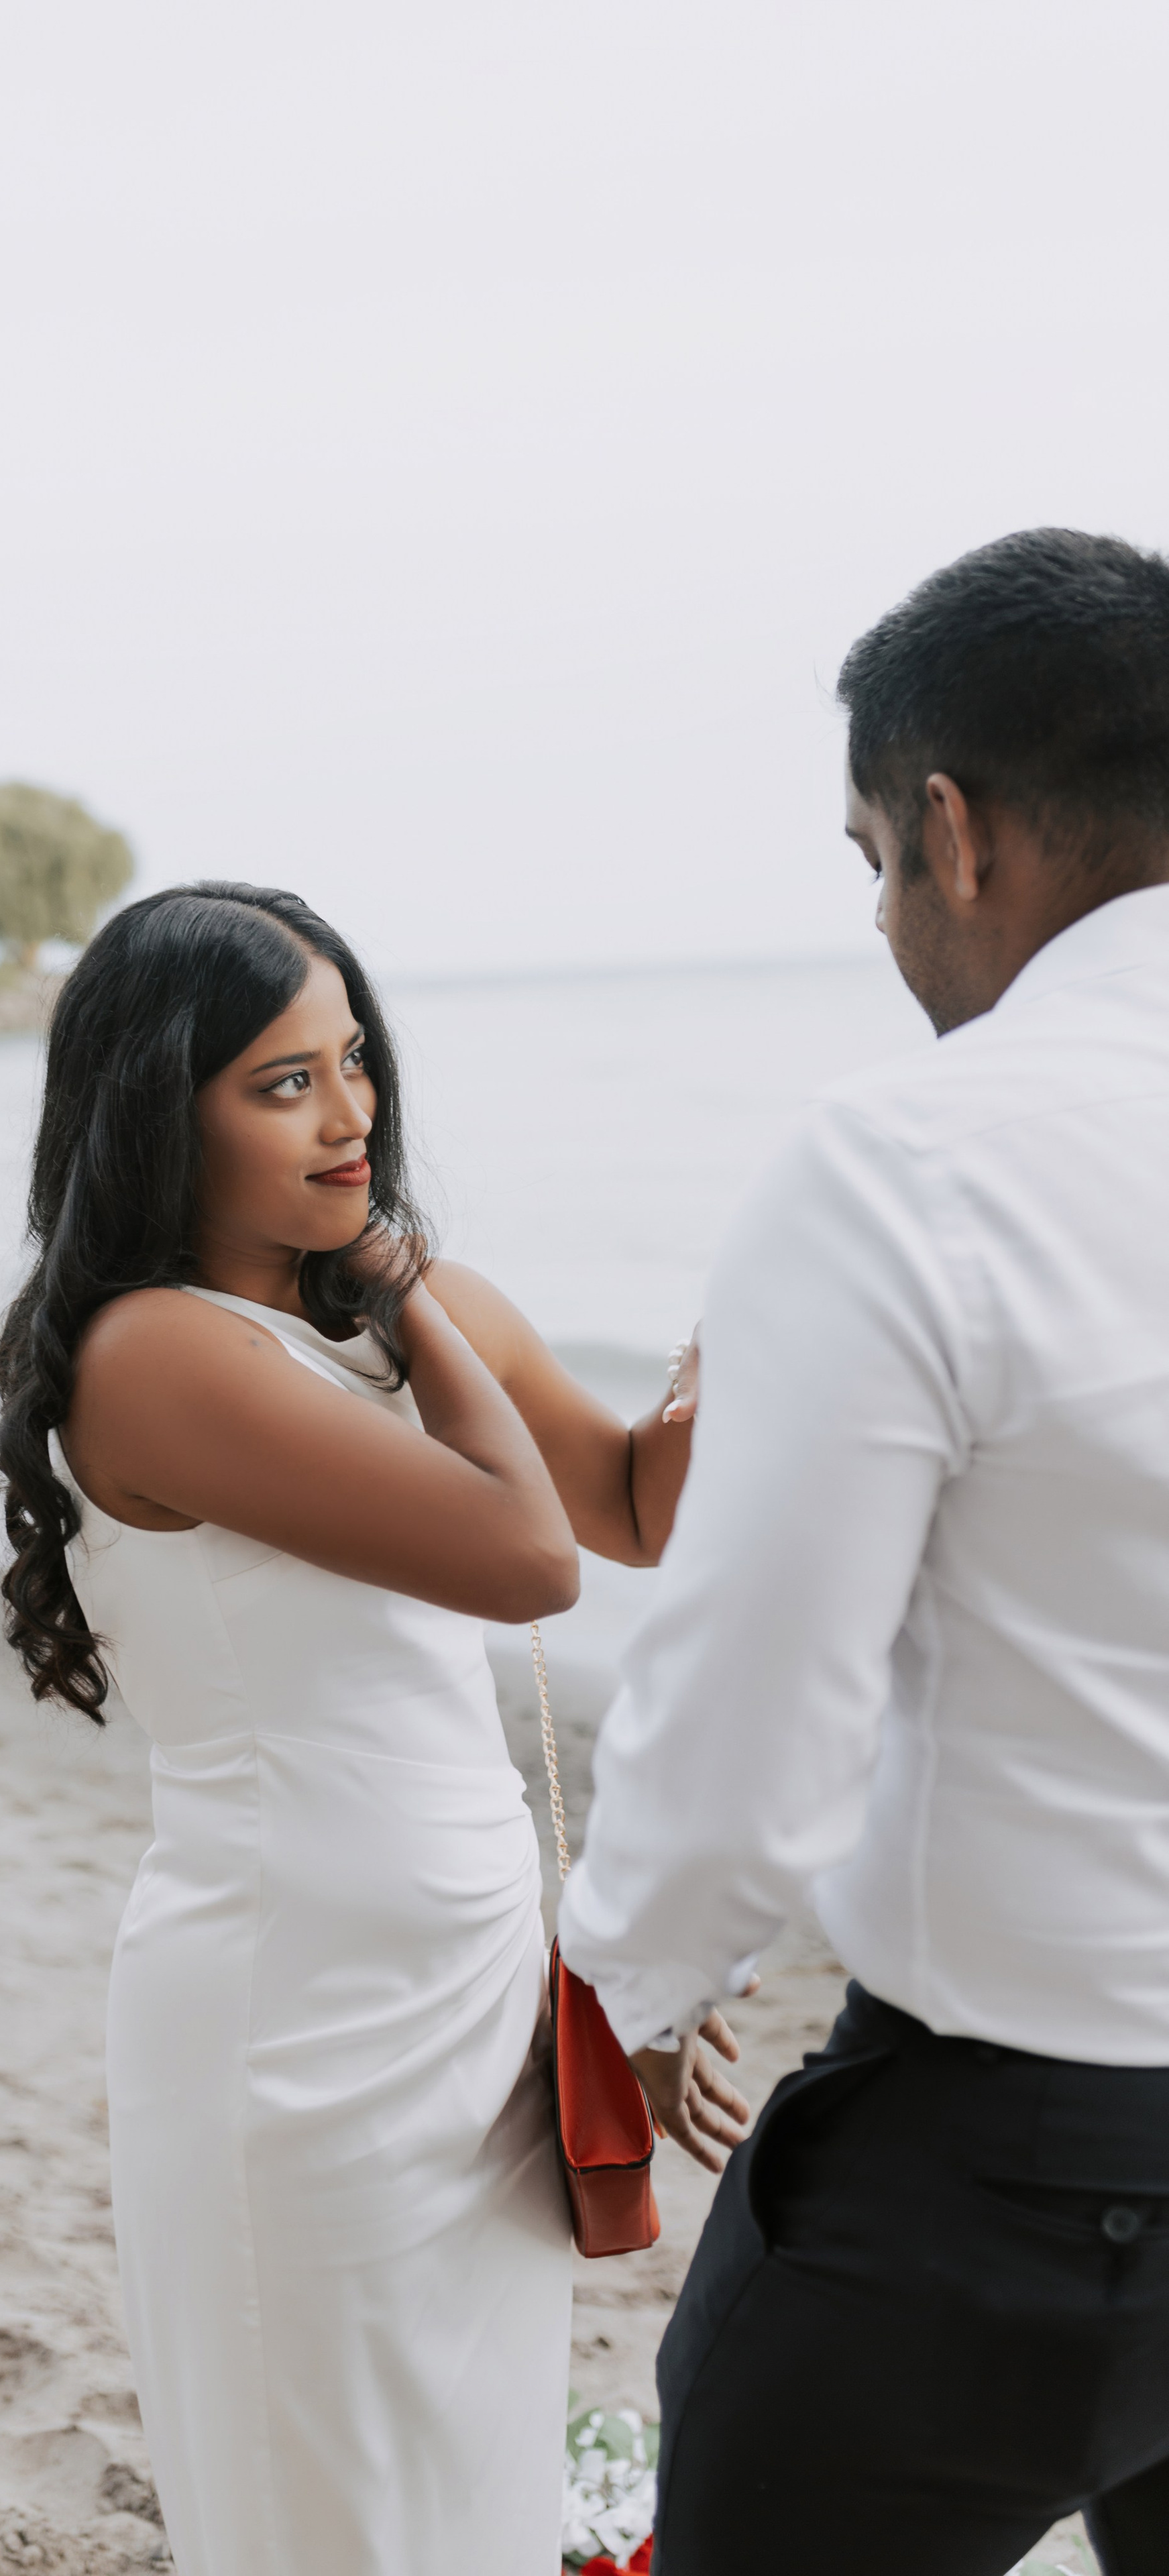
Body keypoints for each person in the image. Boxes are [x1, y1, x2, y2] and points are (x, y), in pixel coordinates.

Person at [557, 527, 1169, 2575]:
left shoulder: (914, 1161)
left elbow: (755, 1722)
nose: (889, 925)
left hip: (1011, 2166)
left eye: (874, 862)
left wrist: (631, 1987)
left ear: (953, 830)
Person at [0, 883, 710, 2576]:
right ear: (158, 1112)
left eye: (355, 1059)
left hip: (475, 1999)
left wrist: (770, 1323)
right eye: (283, 1082)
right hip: (293, 2031)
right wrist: (407, 1295)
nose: (350, 1114)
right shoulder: (154, 1355)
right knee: (334, 2519)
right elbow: (528, 1558)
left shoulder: (408, 1315)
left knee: (473, 2501)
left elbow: (624, 1505)